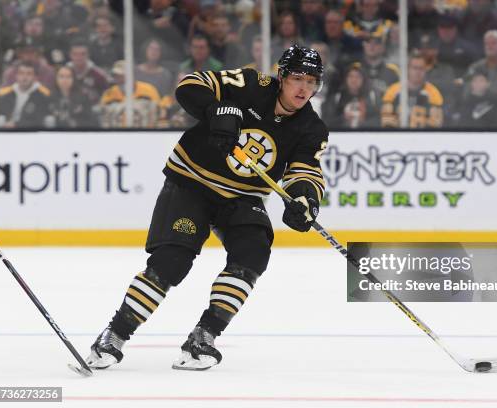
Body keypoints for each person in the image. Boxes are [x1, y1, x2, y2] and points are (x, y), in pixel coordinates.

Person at [85, 44, 328, 371]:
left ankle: (204, 336)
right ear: (281, 76)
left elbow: (306, 171)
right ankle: (113, 336)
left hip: (243, 197)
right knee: (172, 262)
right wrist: (216, 111)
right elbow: (190, 85)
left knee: (253, 253)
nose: (304, 88)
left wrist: (304, 199)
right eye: (298, 78)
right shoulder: (251, 84)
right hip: (191, 183)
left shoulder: (311, 128)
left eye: (312, 82)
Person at [381, 52, 444, 128]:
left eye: (421, 68)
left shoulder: (433, 93)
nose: (418, 72)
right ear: (408, 69)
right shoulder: (393, 91)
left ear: (425, 70)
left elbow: (436, 124)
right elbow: (386, 122)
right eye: (414, 68)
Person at [0, 62, 51, 128]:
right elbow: (0, 115)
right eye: (21, 73)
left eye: (29, 74)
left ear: (35, 77)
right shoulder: (6, 94)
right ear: (16, 76)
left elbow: (38, 122)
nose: (24, 77)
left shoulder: (42, 97)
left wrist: (16, 125)